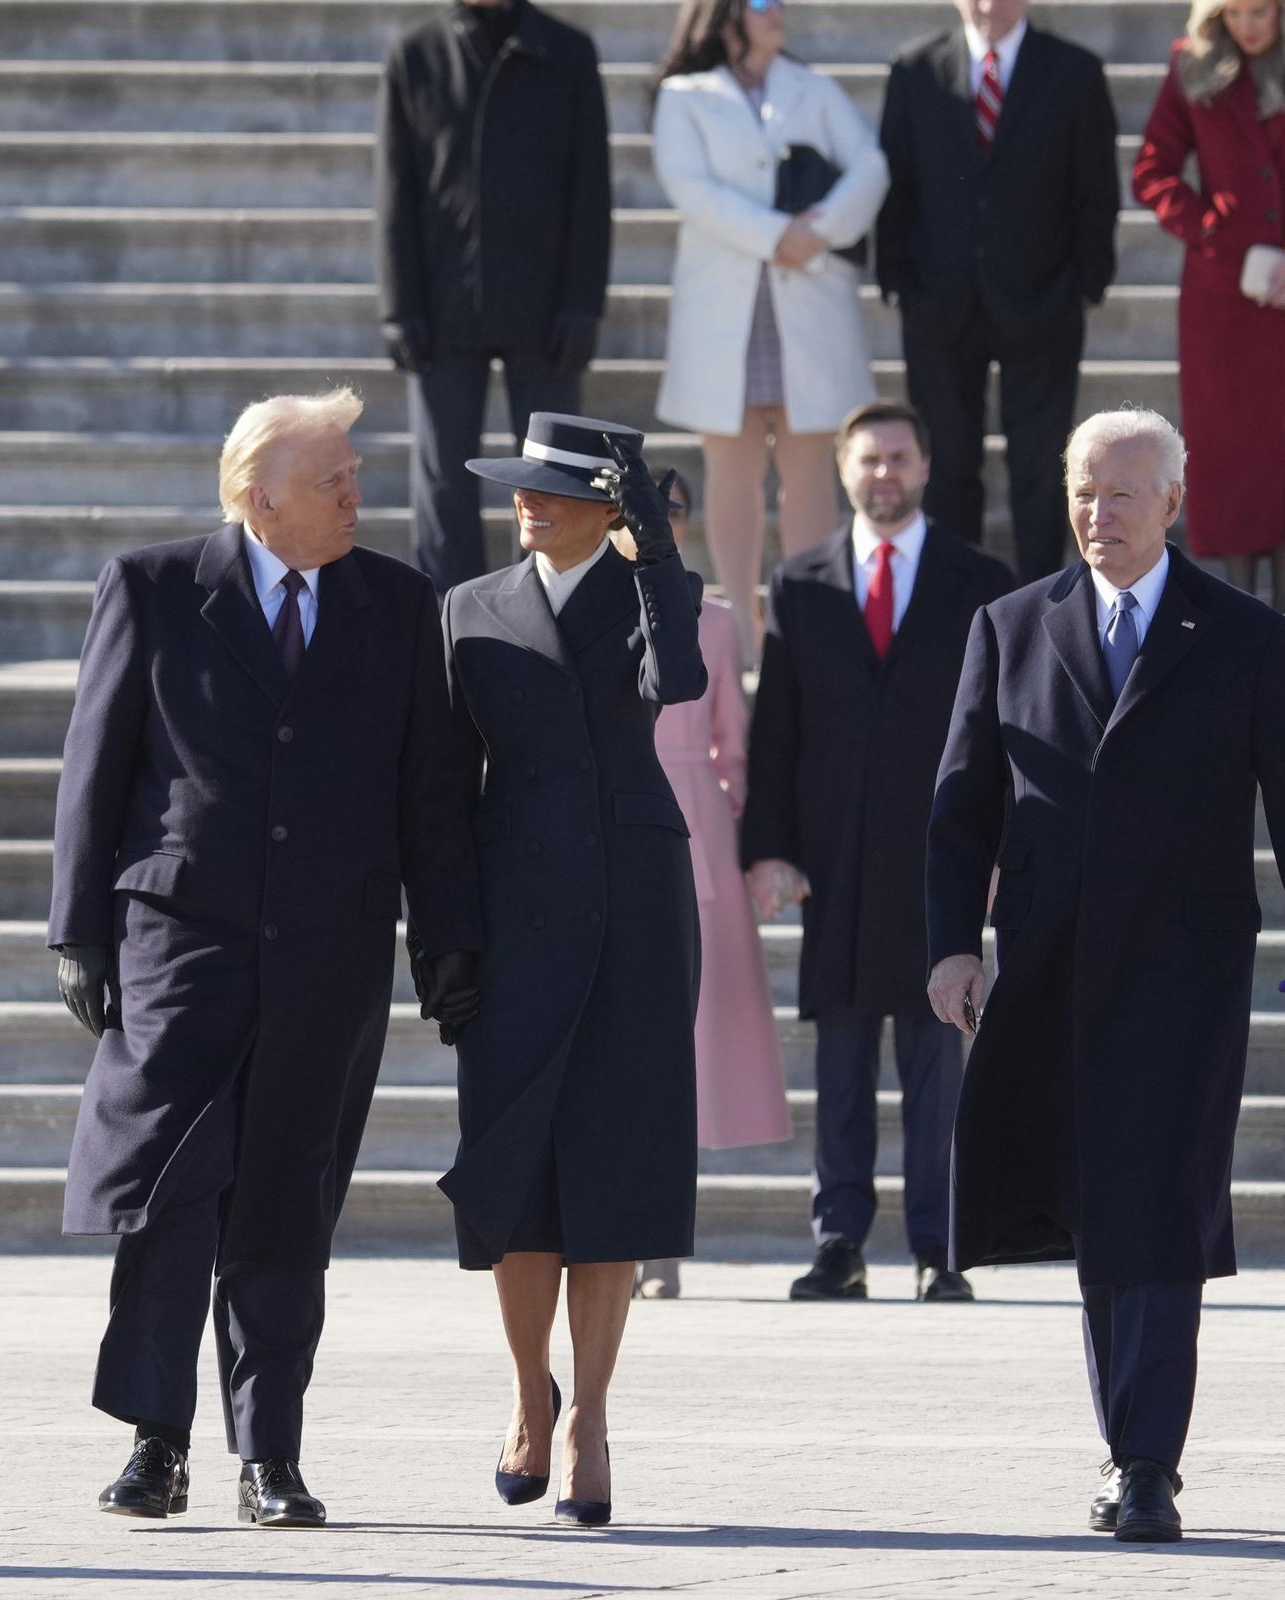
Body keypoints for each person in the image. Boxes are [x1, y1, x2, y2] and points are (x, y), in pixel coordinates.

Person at [923, 407, 1285, 1541]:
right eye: (1083, 489)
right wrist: (947, 945)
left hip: (1186, 971)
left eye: (1123, 492)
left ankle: (1147, 1465)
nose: (1097, 512)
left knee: (1161, 1207)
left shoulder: (1244, 635)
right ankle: (1130, 1446)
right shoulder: (1011, 626)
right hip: (1051, 966)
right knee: (1094, 1204)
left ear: (1176, 501)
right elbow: (960, 807)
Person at [49, 388, 485, 1529]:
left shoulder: (398, 603)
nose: (358, 493)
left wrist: (447, 934)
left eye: (355, 473)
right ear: (261, 496)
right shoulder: (153, 588)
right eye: (335, 477)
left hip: (331, 954)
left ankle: (270, 1455)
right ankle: (155, 1443)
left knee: (289, 1206)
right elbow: (95, 769)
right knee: (168, 1195)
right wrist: (78, 928)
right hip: (178, 948)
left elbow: (428, 793)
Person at [440, 412, 706, 1527]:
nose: (527, 505)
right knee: (516, 1167)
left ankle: (591, 1413)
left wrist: (658, 556)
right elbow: (442, 787)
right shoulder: (468, 607)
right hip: (512, 913)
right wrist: (442, 932)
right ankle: (525, 1397)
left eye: (553, 490)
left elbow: (676, 678)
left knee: (615, 1163)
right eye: (520, 489)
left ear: (611, 505)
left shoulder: (655, 592)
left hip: (637, 910)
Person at [741, 400, 1015, 1302]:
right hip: (837, 865)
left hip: (941, 860)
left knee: (940, 1060)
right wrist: (770, 849)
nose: (884, 475)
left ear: (927, 467)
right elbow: (774, 729)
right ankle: (840, 1243)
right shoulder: (802, 582)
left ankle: (942, 1247)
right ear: (845, 471)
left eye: (900, 458)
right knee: (842, 1061)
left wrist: (1005, 850)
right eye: (869, 461)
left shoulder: (981, 581)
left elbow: (1010, 732)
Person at [652, 0, 890, 665]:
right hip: (725, 309)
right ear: (725, 14)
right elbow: (689, 187)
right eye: (761, 2)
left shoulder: (812, 88)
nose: (777, 10)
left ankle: (806, 623)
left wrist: (821, 230)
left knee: (811, 466)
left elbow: (872, 166)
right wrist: (775, 234)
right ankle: (748, 632)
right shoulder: (684, 96)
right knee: (732, 466)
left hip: (808, 301)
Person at [1131, 0, 1285, 644]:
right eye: (1234, 12)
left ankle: (1284, 622)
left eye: (1260, 11)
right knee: (1233, 457)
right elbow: (1152, 168)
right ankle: (1236, 619)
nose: (1249, 25)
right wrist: (1212, 229)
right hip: (1224, 298)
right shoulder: (1191, 63)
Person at [876, 0, 1121, 581]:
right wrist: (895, 278)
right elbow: (897, 180)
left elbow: (1096, 188)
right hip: (939, 304)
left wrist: (1087, 281)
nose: (988, 5)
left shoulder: (1074, 70)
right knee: (950, 463)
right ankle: (959, 611)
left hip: (1043, 302)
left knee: (1042, 465)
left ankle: (1044, 609)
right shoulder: (915, 67)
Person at [376, 0, 610, 592]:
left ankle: (551, 613)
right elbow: (394, 191)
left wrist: (584, 305)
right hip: (442, 305)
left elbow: (591, 191)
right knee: (442, 485)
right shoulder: (417, 54)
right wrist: (398, 307)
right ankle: (449, 630)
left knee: (557, 478)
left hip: (547, 307)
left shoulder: (568, 52)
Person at [638, 471, 793, 1303]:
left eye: (672, 513)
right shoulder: (589, 611)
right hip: (612, 824)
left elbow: (737, 747)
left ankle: (658, 1250)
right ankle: (619, 1244)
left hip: (697, 830)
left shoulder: (720, 625)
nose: (660, 525)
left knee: (689, 1055)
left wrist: (742, 842)